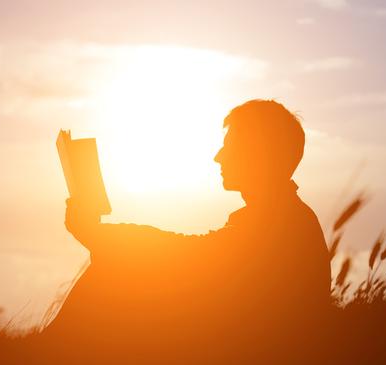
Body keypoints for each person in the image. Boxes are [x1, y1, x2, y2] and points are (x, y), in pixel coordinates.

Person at [46, 99, 332, 347]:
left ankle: (48, 360)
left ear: (259, 153)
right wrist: (103, 237)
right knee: (118, 268)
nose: (218, 156)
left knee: (113, 272)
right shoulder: (282, 215)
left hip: (259, 362)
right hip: (254, 350)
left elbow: (193, 257)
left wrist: (102, 236)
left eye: (230, 146)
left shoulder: (279, 221)